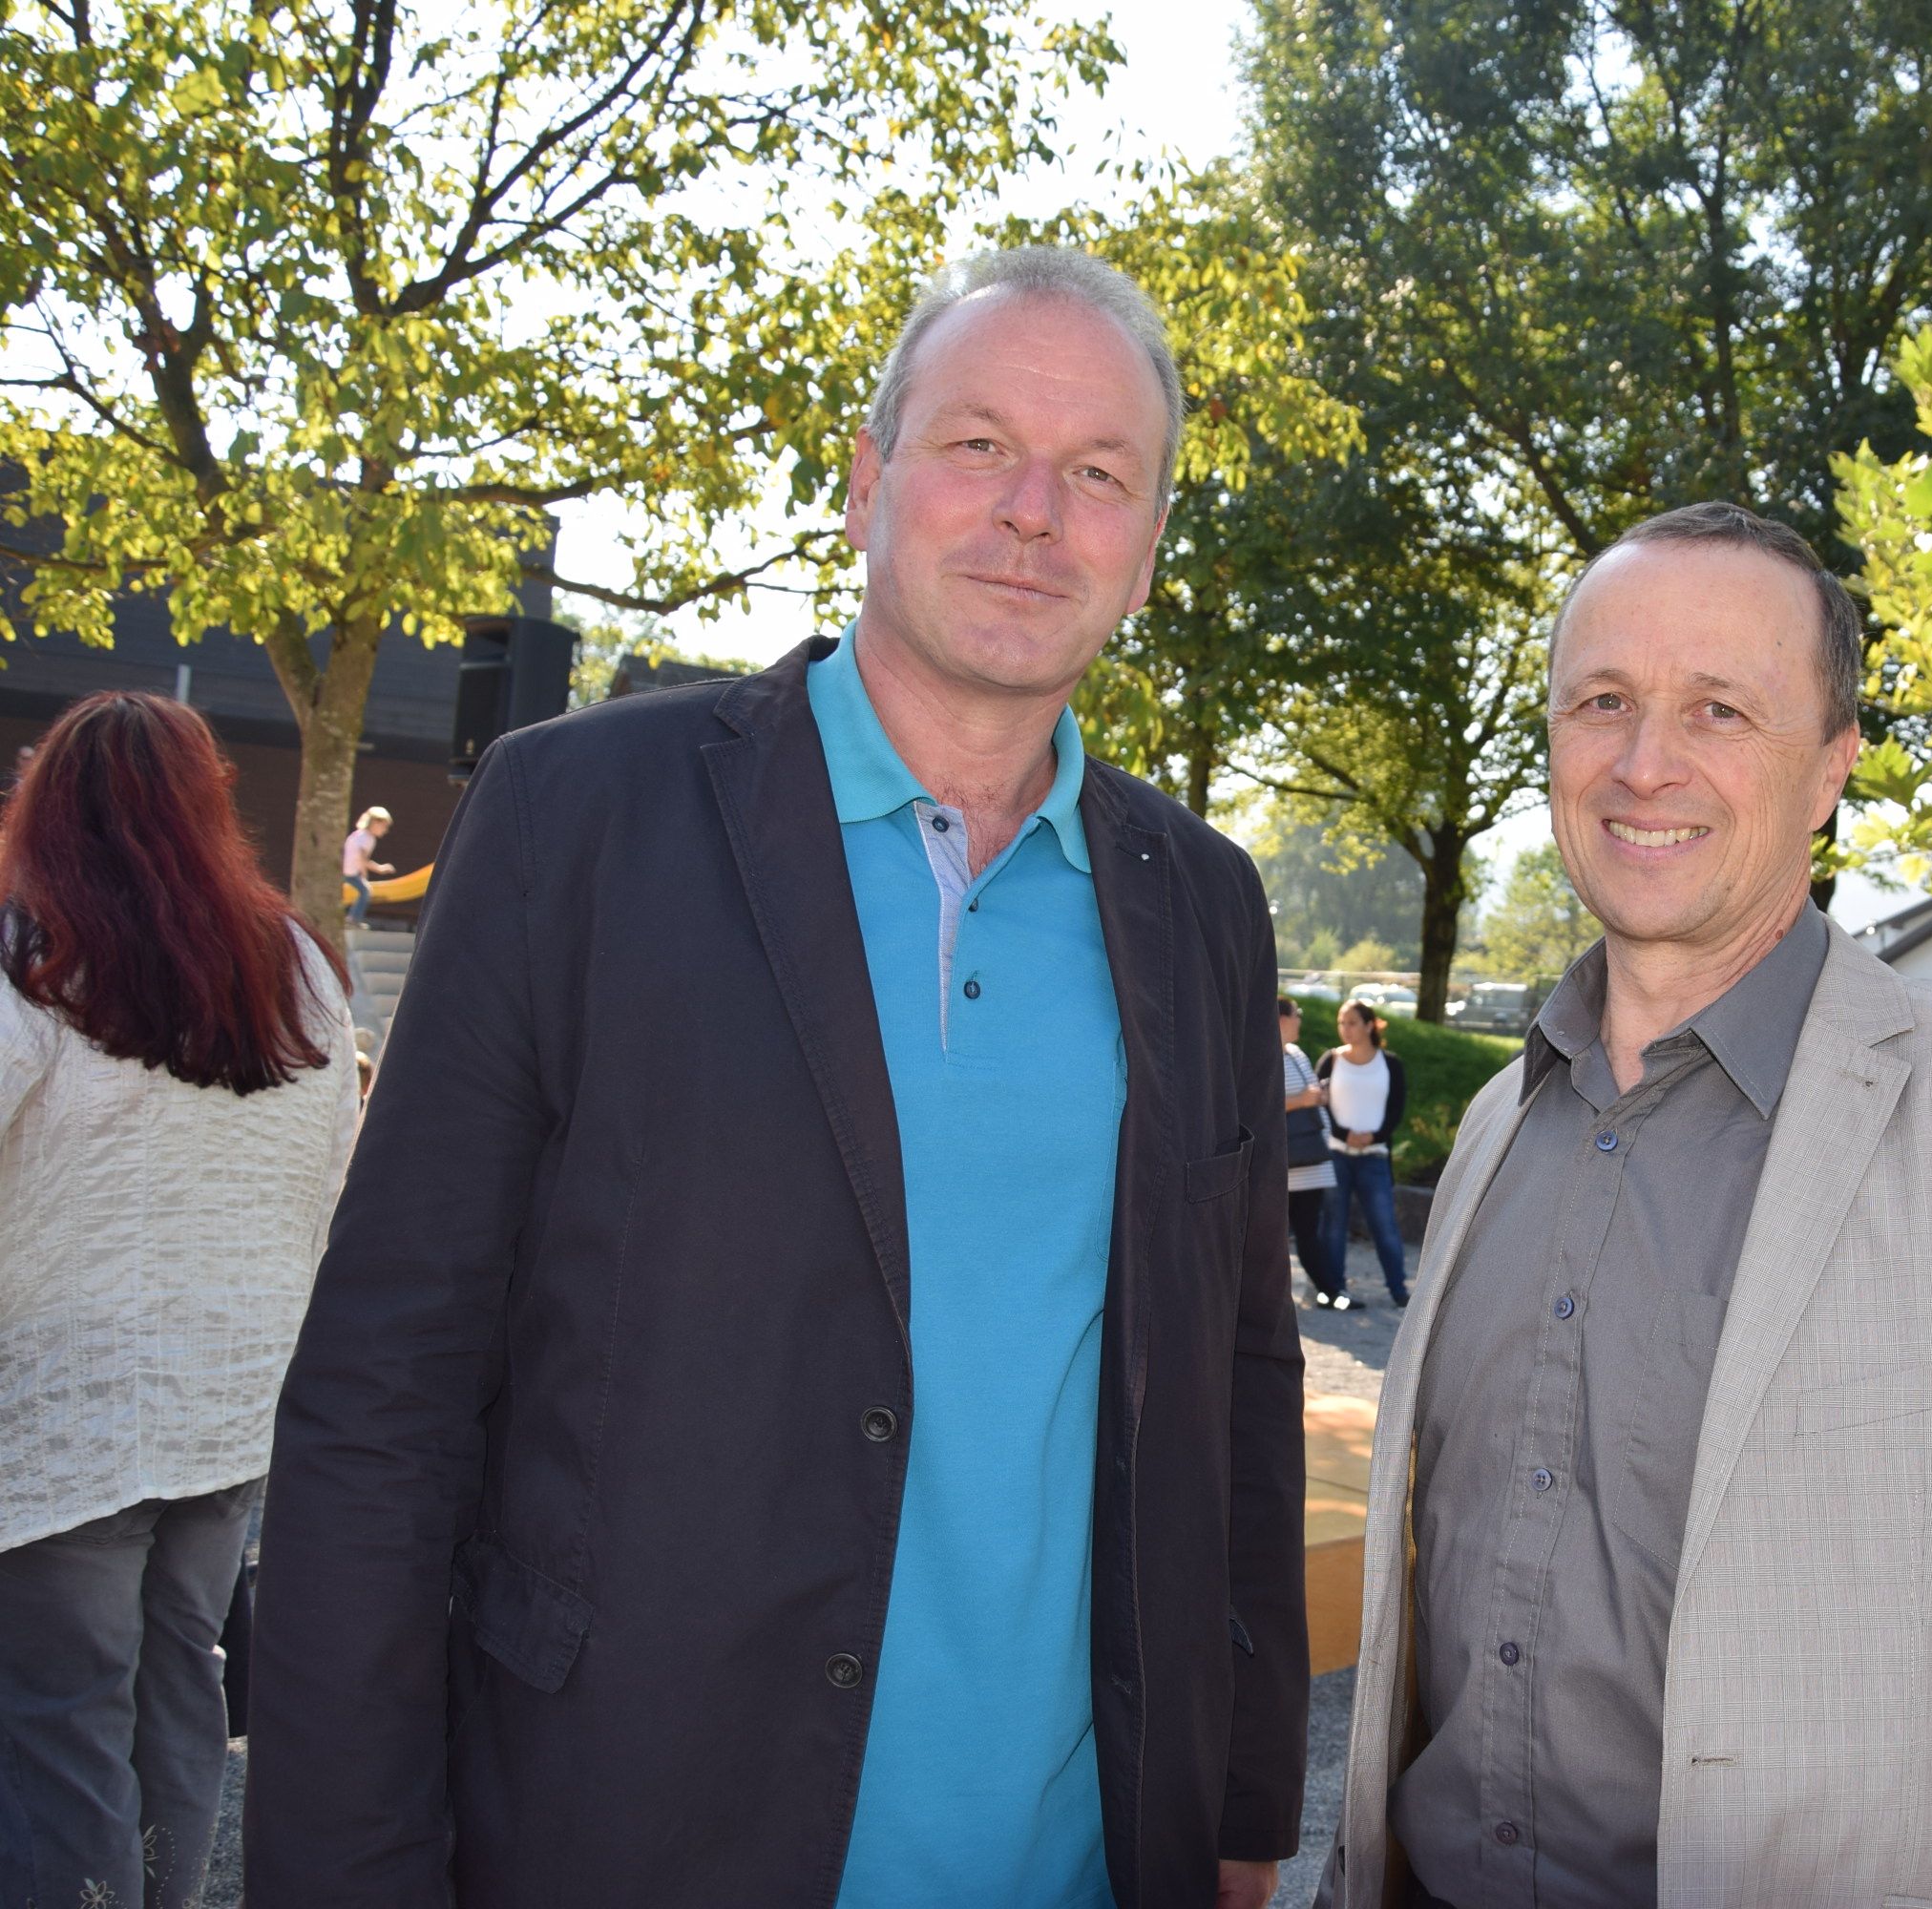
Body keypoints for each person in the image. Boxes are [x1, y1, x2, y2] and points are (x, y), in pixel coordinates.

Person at [246, 248, 1306, 1909]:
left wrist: (1242, 1807)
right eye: (977, 444)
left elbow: (1237, 1377)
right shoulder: (575, 819)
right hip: (623, 1839)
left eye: (1100, 473)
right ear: (867, 481)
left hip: (1085, 1864)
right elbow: (385, 1394)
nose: (1034, 511)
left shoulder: (1205, 904)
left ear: (1149, 544)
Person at [1318, 503, 1932, 1908]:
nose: (1646, 762)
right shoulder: (1500, 1125)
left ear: (1831, 766)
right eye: (1603, 701)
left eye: (1720, 709)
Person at [0, 692, 360, 1909]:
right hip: (231, 1397)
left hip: (60, 1409)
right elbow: (330, 1169)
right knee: (179, 1687)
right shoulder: (296, 963)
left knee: (62, 1717)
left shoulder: (31, 949)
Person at [1317, 999, 1410, 1309]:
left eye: (1352, 1023)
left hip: (1374, 1156)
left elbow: (1396, 1109)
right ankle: (1334, 1291)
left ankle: (1399, 1290)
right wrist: (1344, 1134)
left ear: (1369, 1025)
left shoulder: (1390, 1064)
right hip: (1336, 1156)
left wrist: (1374, 1136)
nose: (1345, 1029)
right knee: (1333, 1226)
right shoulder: (1331, 1060)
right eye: (1341, 1023)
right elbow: (1320, 1105)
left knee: (1385, 1225)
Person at [1282, 996, 1354, 1310]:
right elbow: (1259, 1104)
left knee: (1309, 1230)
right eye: (1296, 1014)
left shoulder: (1296, 1053)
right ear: (1282, 1019)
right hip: (1290, 1162)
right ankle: (1330, 1291)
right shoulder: (1264, 1055)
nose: (1300, 1019)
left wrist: (1317, 1097)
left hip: (1312, 1160)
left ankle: (1330, 1290)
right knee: (1294, 1233)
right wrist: (1302, 1100)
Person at [340, 806, 393, 924]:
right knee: (365, 892)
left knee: (361, 891)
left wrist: (363, 872)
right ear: (375, 823)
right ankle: (353, 919)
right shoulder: (366, 838)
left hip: (347, 871)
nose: (385, 830)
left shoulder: (359, 835)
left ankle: (352, 918)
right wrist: (380, 869)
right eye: (384, 826)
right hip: (349, 873)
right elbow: (362, 859)